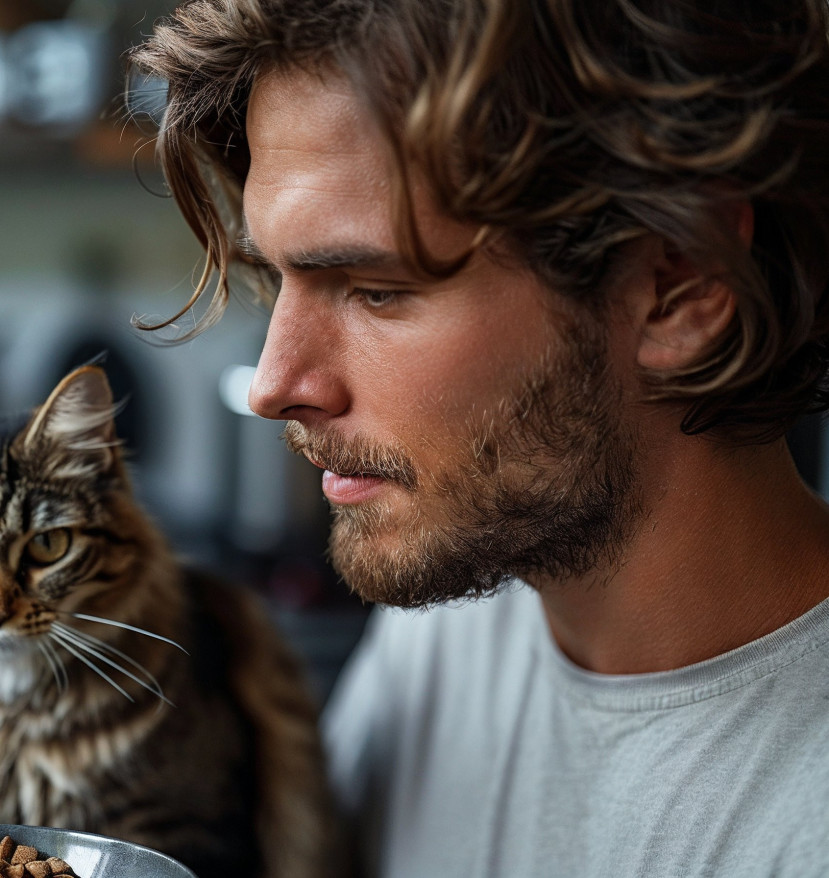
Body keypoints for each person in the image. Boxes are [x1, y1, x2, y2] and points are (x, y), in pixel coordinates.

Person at [129, 1, 829, 875]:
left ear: (676, 287)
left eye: (375, 289)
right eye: (278, 278)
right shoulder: (458, 611)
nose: (274, 387)